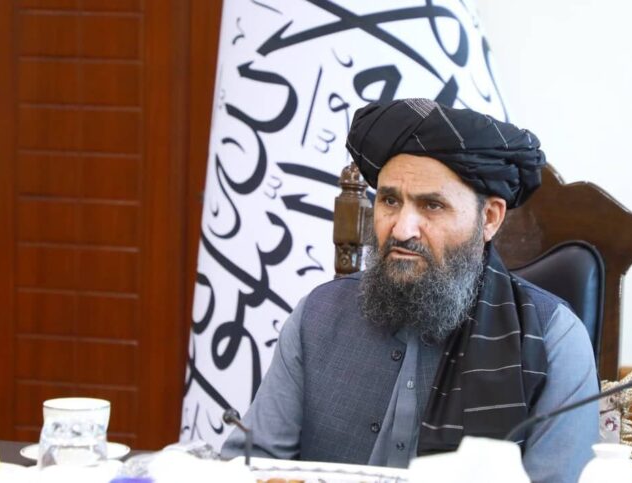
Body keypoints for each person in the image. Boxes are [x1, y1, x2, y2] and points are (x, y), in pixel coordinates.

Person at [222, 98, 599, 482]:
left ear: (489, 218)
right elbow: (249, 467)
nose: (402, 229)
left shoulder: (556, 340)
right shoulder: (316, 316)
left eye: (432, 205)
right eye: (389, 200)